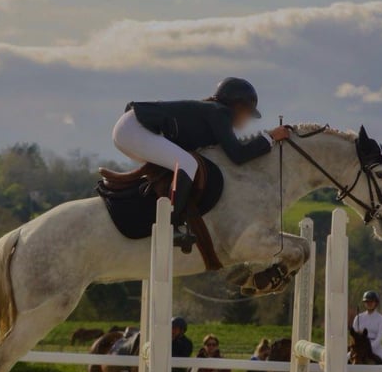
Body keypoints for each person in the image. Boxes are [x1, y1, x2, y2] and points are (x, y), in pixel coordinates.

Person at [113, 77, 290, 248]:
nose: (247, 120)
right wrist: (270, 137)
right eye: (248, 113)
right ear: (238, 107)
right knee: (188, 164)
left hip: (134, 127)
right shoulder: (220, 112)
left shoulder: (213, 111)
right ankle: (169, 226)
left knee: (184, 163)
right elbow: (238, 155)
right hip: (135, 128)